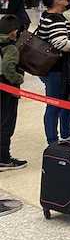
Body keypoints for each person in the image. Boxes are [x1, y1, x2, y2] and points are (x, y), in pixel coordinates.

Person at [35, 0, 70, 145]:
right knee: (55, 105)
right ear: (58, 1)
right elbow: (60, 44)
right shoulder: (55, 19)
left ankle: (65, 135)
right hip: (55, 69)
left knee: (65, 102)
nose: (68, 0)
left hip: (54, 68)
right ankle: (53, 140)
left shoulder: (48, 16)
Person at [0, 14, 25, 169]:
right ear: (14, 32)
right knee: (6, 123)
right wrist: (18, 79)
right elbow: (8, 68)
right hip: (6, 88)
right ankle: (3, 158)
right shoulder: (10, 48)